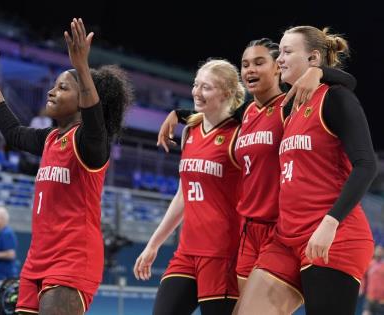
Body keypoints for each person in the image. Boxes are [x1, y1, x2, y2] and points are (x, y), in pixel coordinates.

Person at [158, 39, 356, 314]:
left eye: (259, 62)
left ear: (278, 68)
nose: (250, 69)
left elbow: (344, 88)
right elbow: (215, 113)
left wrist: (319, 71)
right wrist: (179, 115)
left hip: (282, 226)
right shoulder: (247, 114)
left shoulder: (290, 105)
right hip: (249, 231)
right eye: (245, 64)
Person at [0, 17, 133, 315]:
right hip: (37, 258)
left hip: (73, 257)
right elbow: (13, 134)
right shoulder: (50, 139)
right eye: (54, 87)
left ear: (81, 97)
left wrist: (82, 67)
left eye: (62, 88)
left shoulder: (91, 143)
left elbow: (94, 120)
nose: (51, 92)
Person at [237, 26, 377, 315]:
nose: (280, 60)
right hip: (286, 237)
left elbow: (366, 165)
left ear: (313, 58)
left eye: (288, 52)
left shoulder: (336, 98)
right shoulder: (290, 109)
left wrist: (331, 222)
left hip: (333, 236)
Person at [134, 59, 244, 315]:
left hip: (222, 254)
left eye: (206, 87)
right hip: (186, 251)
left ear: (226, 92)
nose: (196, 91)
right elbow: (184, 193)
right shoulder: (190, 130)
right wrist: (154, 244)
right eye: (196, 85)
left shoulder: (239, 134)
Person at [362, 244, 384, 315]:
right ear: (374, 251)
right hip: (370, 297)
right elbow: (364, 277)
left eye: (380, 251)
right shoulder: (370, 263)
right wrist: (362, 287)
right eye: (377, 250)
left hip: (381, 300)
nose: (379, 252)